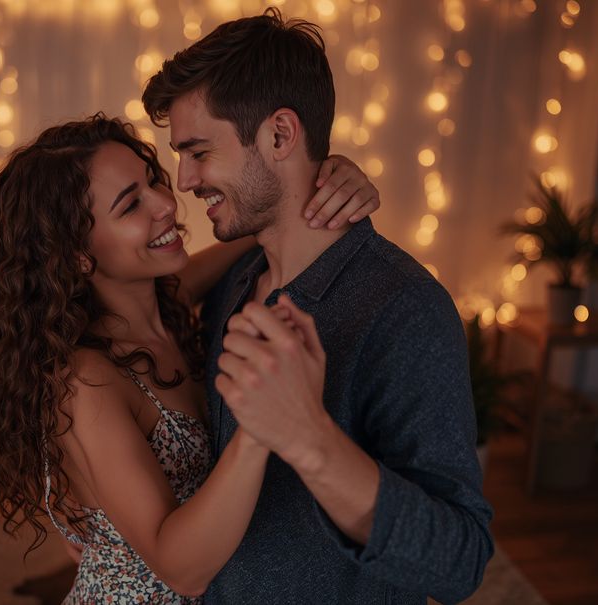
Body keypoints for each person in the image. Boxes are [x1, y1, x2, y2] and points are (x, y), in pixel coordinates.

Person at [0, 114, 381, 603]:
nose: (165, 202)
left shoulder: (167, 304)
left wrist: (326, 179)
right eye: (131, 204)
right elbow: (181, 570)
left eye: (151, 180)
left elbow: (250, 231)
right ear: (78, 257)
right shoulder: (87, 381)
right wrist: (264, 421)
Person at [141, 9, 494, 604]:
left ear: (280, 134)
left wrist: (310, 439)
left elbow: (460, 562)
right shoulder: (236, 283)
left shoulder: (406, 309)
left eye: (199, 151)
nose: (182, 179)